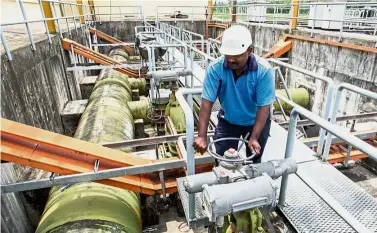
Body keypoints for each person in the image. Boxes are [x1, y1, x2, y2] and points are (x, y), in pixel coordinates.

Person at [193, 25, 275, 163]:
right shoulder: (215, 69)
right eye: (228, 55)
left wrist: (254, 138)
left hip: (256, 121)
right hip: (229, 120)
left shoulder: (264, 71)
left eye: (236, 55)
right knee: (222, 160)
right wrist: (201, 136)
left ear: (249, 50)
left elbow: (264, 108)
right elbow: (207, 103)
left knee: (253, 161)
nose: (231, 59)